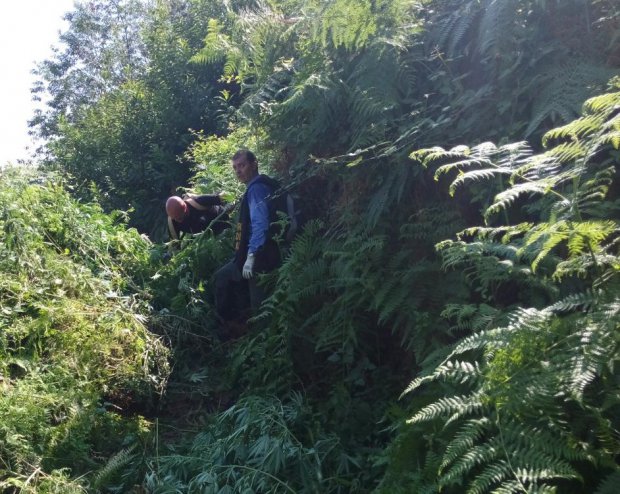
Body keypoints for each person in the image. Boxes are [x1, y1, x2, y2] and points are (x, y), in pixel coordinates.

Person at [215, 149, 282, 323]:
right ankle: (239, 325)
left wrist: (251, 256)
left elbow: (260, 223)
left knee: (261, 308)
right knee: (224, 277)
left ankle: (260, 336)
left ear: (254, 164)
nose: (238, 170)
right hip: (264, 250)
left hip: (261, 256)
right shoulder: (263, 184)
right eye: (235, 167)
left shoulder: (256, 189)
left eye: (242, 165)